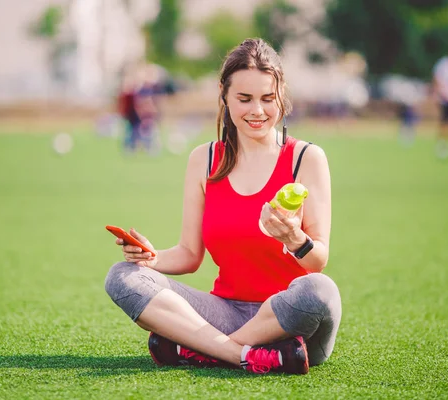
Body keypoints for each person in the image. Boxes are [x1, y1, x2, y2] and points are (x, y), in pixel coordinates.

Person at [104, 38, 341, 375]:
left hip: (289, 319)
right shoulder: (204, 159)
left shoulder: (307, 158)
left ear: (281, 95)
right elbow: (189, 254)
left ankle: (201, 348)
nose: (257, 111)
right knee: (122, 276)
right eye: (244, 99)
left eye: (267, 99)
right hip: (224, 311)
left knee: (320, 291)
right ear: (224, 95)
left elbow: (318, 261)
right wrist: (152, 258)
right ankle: (241, 354)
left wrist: (293, 238)